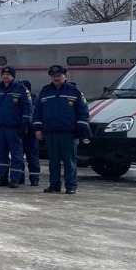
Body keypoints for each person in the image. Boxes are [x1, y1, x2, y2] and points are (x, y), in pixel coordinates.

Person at [33, 65, 90, 195]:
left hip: (68, 134)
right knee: (53, 161)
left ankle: (71, 186)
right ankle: (54, 185)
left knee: (69, 161)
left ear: (65, 75)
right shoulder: (45, 91)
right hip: (51, 133)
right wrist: (37, 129)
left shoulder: (74, 92)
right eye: (54, 76)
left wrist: (82, 127)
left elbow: (83, 112)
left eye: (59, 75)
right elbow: (38, 112)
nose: (56, 78)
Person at [0, 66, 32, 189]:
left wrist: (24, 124)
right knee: (1, 154)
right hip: (0, 128)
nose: (5, 76)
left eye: (8, 74)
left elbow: (28, 108)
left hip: (14, 128)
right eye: (4, 74)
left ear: (13, 76)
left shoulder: (21, 90)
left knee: (16, 154)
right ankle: (3, 177)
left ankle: (15, 179)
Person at [19, 80, 40, 186]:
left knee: (32, 156)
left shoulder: (35, 100)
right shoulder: (19, 99)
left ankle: (34, 178)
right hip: (20, 132)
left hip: (31, 133)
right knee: (18, 156)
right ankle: (20, 177)